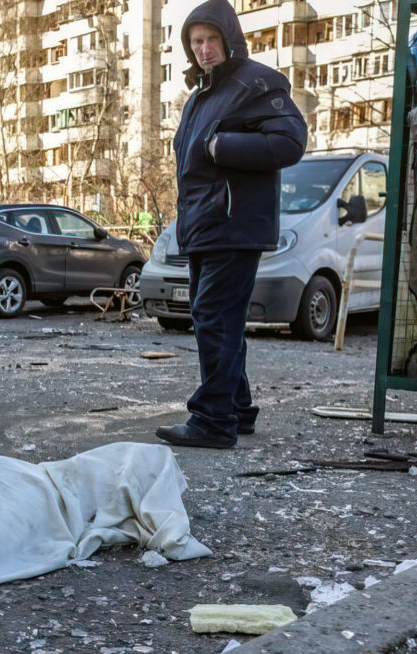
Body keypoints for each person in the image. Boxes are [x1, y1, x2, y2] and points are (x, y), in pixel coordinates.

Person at [155, 0, 307, 449]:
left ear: (229, 39)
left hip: (234, 223)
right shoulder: (202, 95)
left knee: (212, 316)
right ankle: (237, 409)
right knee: (219, 319)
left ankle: (213, 421)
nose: (203, 49)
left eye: (211, 39)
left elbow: (290, 141)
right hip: (205, 226)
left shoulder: (256, 82)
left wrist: (223, 146)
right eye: (196, 42)